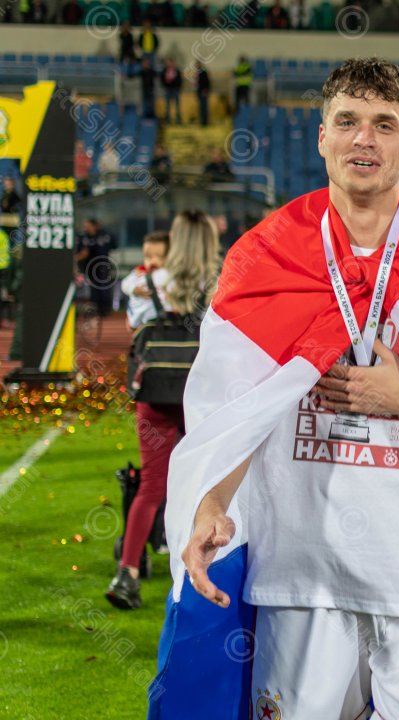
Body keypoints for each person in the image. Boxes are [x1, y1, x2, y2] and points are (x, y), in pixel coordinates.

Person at [152, 58, 399, 719]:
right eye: (349, 121)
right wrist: (211, 501)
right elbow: (231, 413)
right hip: (302, 578)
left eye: (385, 125)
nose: (365, 139)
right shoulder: (264, 261)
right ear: (322, 135)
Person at [106, 214, 220, 609]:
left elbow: (133, 324)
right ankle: (200, 571)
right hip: (200, 395)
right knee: (205, 484)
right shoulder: (220, 282)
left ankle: (128, 572)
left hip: (155, 390)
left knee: (152, 485)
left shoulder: (146, 282)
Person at [119, 230, 170, 330]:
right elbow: (125, 284)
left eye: (160, 257)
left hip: (165, 317)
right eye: (148, 257)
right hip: (143, 319)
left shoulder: (170, 274)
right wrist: (134, 289)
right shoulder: (140, 272)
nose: (153, 261)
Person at [75, 218, 117, 319]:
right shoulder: (84, 237)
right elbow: (83, 252)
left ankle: (105, 309)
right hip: (89, 266)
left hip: (102, 265)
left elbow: (113, 246)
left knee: (103, 287)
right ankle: (96, 310)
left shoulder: (104, 236)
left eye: (87, 226)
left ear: (94, 226)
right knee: (93, 288)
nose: (85, 228)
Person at [161, 57, 183, 124]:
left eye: (170, 62)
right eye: (167, 62)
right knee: (167, 105)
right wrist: (165, 85)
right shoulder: (165, 70)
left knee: (177, 105)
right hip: (168, 89)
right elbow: (162, 79)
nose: (168, 64)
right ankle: (168, 119)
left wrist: (178, 87)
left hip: (175, 89)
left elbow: (180, 80)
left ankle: (178, 119)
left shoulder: (176, 70)